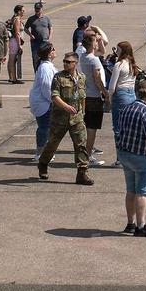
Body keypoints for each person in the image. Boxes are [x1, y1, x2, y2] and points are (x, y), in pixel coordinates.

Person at [38, 52, 94, 185]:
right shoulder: (58, 77)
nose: (65, 63)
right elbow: (54, 96)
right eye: (64, 61)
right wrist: (66, 107)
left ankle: (82, 173)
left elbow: (82, 96)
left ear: (75, 63)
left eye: (68, 62)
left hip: (77, 119)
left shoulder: (81, 77)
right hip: (60, 119)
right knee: (52, 144)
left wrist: (83, 112)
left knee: (81, 146)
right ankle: (43, 163)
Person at [79, 34, 110, 166]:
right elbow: (97, 79)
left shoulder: (83, 57)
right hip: (94, 96)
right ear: (92, 45)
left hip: (85, 95)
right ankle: (88, 155)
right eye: (96, 42)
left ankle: (84, 153)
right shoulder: (94, 60)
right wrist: (106, 93)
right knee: (92, 128)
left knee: (86, 127)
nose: (97, 43)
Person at [29, 43, 58, 162]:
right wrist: (53, 100)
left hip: (44, 101)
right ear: (49, 53)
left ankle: (44, 151)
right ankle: (40, 153)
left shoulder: (46, 66)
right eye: (53, 49)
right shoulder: (45, 68)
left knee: (47, 127)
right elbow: (46, 86)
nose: (55, 51)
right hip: (44, 102)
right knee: (44, 127)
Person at [24, 2, 52, 72]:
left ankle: (44, 72)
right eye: (36, 9)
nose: (37, 11)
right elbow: (25, 28)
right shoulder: (31, 19)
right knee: (35, 58)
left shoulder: (46, 18)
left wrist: (50, 37)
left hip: (45, 41)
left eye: (39, 9)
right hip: (35, 42)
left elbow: (50, 28)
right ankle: (36, 73)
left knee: (45, 58)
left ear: (42, 9)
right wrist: (30, 35)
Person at [7, 5, 25, 84]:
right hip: (15, 41)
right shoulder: (17, 20)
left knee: (11, 59)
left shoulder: (14, 18)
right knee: (13, 60)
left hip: (12, 41)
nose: (24, 12)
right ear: (18, 11)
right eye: (23, 11)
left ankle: (11, 77)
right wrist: (19, 44)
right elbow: (17, 33)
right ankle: (14, 78)